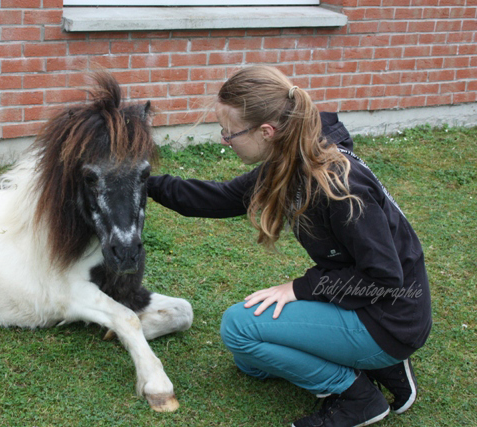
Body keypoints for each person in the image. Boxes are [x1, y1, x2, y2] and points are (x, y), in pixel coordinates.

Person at [146, 65, 431, 427]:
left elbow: (384, 276)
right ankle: (380, 364)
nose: (224, 139)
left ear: (266, 132)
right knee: (250, 361)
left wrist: (300, 288)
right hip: (372, 306)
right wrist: (142, 181)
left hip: (390, 315)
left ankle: (358, 397)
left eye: (229, 132)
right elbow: (217, 199)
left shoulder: (339, 184)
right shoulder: (293, 158)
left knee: (238, 327)